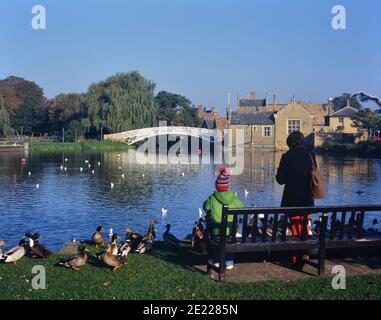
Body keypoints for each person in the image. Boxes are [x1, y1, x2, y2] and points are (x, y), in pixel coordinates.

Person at [276, 131, 316, 268]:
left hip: (292, 199)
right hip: (307, 198)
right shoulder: (310, 155)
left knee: (294, 229)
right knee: (304, 226)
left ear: (289, 143)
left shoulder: (287, 156)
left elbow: (280, 180)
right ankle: (304, 254)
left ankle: (296, 258)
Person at [203, 167, 243, 270]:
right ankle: (229, 262)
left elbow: (205, 207)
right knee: (229, 241)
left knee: (217, 243)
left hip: (217, 232)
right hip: (230, 232)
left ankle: (216, 261)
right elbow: (241, 207)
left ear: (216, 186)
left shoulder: (212, 198)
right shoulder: (233, 197)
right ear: (228, 186)